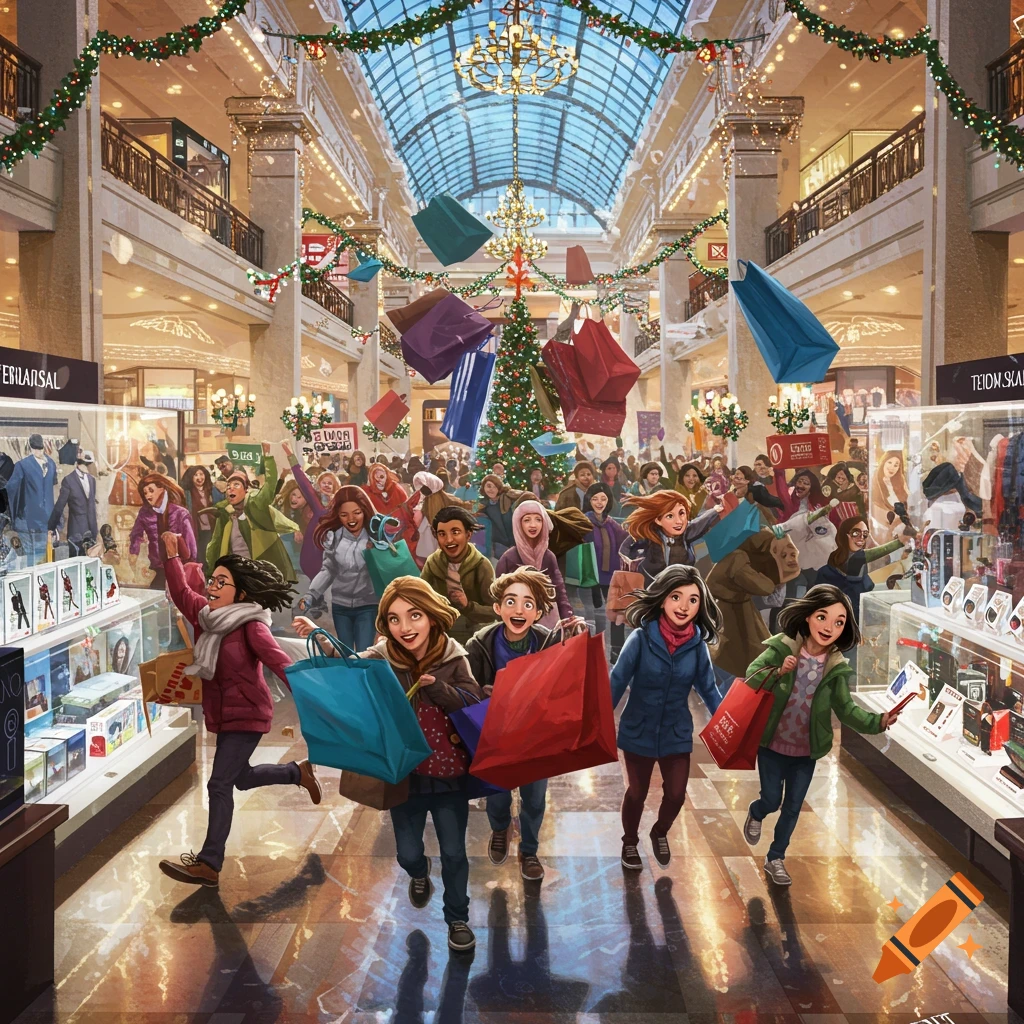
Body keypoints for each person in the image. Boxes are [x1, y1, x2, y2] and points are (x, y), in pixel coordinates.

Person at [157, 532, 321, 887]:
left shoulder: (250, 626)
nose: (213, 587)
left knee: (219, 784)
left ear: (241, 593)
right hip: (222, 714)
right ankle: (297, 773)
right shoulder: (207, 618)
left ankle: (209, 863)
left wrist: (312, 698)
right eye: (213, 580)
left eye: (222, 582)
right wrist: (171, 557)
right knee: (240, 778)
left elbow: (278, 661)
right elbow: (183, 593)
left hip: (247, 713)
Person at [741, 584, 900, 886]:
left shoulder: (836, 667)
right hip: (771, 744)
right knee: (772, 799)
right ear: (808, 616)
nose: (829, 627)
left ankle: (776, 857)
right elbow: (750, 677)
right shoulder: (783, 647)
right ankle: (756, 811)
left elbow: (846, 709)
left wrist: (878, 722)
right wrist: (777, 671)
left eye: (839, 622)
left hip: (806, 750)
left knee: (792, 807)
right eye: (823, 617)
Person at [359, 577, 482, 952]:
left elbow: (474, 700)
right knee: (408, 853)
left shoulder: (453, 655)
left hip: (449, 774)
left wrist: (438, 689)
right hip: (405, 775)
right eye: (395, 619)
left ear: (431, 616)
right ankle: (418, 872)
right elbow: (347, 668)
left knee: (454, 852)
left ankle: (457, 917)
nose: (405, 627)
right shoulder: (381, 657)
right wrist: (317, 637)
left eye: (414, 615)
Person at [611, 564, 723, 871]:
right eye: (676, 597)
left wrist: (730, 724)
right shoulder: (640, 639)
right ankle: (630, 842)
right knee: (637, 792)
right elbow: (616, 681)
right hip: (639, 729)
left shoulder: (697, 645)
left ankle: (659, 832)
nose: (684, 606)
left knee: (675, 795)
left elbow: (709, 689)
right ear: (662, 600)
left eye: (692, 600)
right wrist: (594, 721)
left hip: (676, 730)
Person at [465, 566, 563, 882]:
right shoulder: (480, 644)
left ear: (538, 612)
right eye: (510, 602)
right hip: (495, 735)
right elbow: (465, 689)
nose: (518, 610)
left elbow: (561, 691)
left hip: (535, 737)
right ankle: (499, 828)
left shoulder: (549, 642)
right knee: (496, 793)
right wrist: (483, 693)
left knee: (535, 797)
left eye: (527, 603)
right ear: (497, 608)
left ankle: (530, 850)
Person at [205, 444, 299, 583]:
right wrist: (211, 572)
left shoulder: (256, 504)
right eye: (228, 487)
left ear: (246, 490)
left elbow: (269, 487)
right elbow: (215, 543)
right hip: (236, 570)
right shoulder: (226, 514)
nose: (231, 489)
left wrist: (267, 456)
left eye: (236, 485)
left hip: (260, 570)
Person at [301, 485, 379, 652]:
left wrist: (377, 552)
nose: (351, 519)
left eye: (356, 513)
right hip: (340, 606)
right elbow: (327, 570)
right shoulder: (334, 537)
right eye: (344, 515)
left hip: (368, 605)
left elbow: (388, 570)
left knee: (364, 653)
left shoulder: (376, 536)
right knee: (345, 653)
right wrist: (311, 594)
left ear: (365, 511)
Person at [421, 506, 497, 645]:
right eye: (442, 534)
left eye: (455, 532)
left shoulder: (481, 565)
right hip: (441, 632)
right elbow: (420, 597)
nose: (449, 540)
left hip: (473, 634)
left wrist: (468, 605)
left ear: (468, 534)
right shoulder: (433, 563)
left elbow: (495, 610)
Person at [496, 500, 574, 627]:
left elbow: (559, 590)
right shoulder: (509, 558)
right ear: (518, 523)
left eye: (538, 519)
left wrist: (567, 616)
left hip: (548, 622)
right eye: (527, 520)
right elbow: (498, 595)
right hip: (518, 623)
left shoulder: (548, 557)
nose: (533, 525)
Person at [619, 490, 722, 585]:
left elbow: (699, 522)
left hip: (679, 582)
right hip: (653, 584)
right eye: (670, 516)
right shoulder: (651, 534)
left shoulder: (686, 532)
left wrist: (715, 511)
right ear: (658, 520)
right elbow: (626, 546)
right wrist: (629, 561)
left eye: (682, 513)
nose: (679, 521)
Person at [817, 516, 907, 620]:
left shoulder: (836, 555)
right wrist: (900, 541)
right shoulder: (856, 558)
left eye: (865, 534)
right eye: (856, 533)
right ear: (845, 534)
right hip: (851, 614)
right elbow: (882, 551)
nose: (861, 538)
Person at [128, 473, 197, 589]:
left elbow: (191, 547)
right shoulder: (145, 513)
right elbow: (136, 533)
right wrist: (134, 551)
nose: (148, 495)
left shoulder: (180, 513)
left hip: (180, 568)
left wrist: (190, 567)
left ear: (162, 488)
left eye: (151, 490)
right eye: (145, 493)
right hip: (157, 567)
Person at [583, 482, 627, 660]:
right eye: (595, 499)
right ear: (589, 501)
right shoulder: (584, 521)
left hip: (611, 577)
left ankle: (617, 654)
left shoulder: (611, 524)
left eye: (603, 498)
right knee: (594, 617)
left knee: (616, 615)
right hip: (590, 576)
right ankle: (593, 654)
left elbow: (626, 540)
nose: (599, 502)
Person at [48, 450, 99, 556]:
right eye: (88, 465)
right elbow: (59, 506)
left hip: (91, 532)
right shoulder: (68, 480)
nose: (90, 468)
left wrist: (95, 531)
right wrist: (51, 527)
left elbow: (92, 506)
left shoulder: (91, 480)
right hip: (76, 534)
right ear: (80, 463)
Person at [363, 462, 418, 548]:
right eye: (375, 478)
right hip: (377, 535)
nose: (379, 481)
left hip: (399, 533)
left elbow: (406, 510)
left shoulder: (396, 489)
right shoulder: (366, 493)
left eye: (381, 477)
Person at [181, 465, 224, 563]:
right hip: (195, 529)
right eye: (195, 475)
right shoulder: (187, 493)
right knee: (199, 556)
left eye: (201, 474)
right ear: (191, 477)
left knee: (211, 554)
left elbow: (222, 503)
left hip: (212, 529)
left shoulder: (212, 490)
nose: (199, 477)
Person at [477, 474, 520, 559]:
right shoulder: (484, 505)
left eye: (495, 486)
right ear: (483, 488)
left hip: (515, 541)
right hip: (498, 545)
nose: (491, 489)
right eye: (489, 486)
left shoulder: (508, 499)